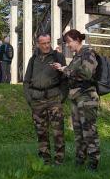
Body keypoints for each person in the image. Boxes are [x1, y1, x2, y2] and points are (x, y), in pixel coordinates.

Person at [50, 29, 101, 170]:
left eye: (69, 42)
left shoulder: (88, 53)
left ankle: (93, 163)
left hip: (87, 97)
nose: (67, 45)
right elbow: (74, 72)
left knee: (89, 131)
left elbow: (86, 73)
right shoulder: (77, 56)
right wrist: (62, 68)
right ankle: (80, 160)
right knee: (78, 132)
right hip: (76, 97)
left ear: (77, 40)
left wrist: (65, 70)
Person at [22, 32, 66, 165]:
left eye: (48, 42)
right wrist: (29, 98)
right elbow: (26, 81)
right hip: (36, 100)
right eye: (43, 43)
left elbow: (65, 79)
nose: (47, 46)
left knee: (58, 131)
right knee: (41, 132)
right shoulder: (33, 59)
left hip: (54, 99)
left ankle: (59, 160)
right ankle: (44, 159)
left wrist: (62, 97)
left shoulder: (58, 57)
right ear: (38, 44)